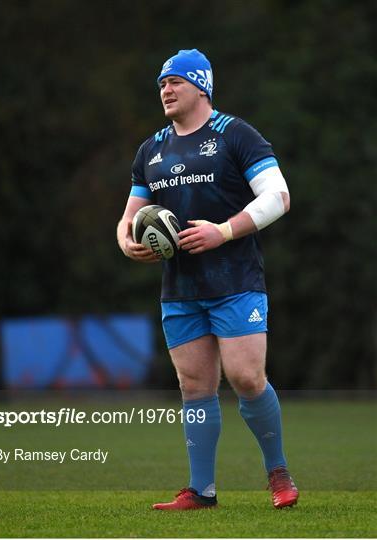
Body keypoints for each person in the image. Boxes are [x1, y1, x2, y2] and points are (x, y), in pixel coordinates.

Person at [117, 49, 299, 510]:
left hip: (236, 280)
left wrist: (223, 231)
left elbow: (278, 197)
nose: (165, 90)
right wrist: (127, 243)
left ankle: (278, 474)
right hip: (180, 289)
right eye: (161, 84)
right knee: (194, 386)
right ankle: (202, 491)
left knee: (246, 378)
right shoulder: (152, 149)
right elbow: (129, 219)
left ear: (201, 87)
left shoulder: (236, 135)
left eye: (174, 82)